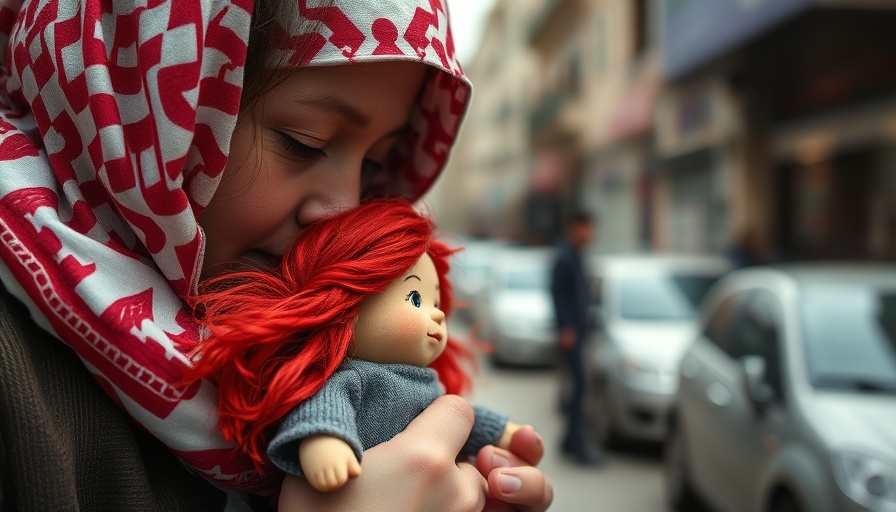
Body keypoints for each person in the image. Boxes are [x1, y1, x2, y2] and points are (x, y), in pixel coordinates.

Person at [0, 1, 553, 510]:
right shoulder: (17, 386)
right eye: (304, 142)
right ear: (145, 97)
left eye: (376, 163)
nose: (346, 209)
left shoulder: (340, 371)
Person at [189, 199, 526, 494]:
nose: (437, 314)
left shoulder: (428, 387)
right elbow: (325, 407)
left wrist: (501, 431)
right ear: (348, 306)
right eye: (415, 297)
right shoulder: (355, 379)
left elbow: (462, 420)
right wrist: (325, 442)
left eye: (436, 300)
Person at [550, 211, 604, 467]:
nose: (590, 234)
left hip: (579, 333)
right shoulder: (565, 256)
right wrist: (565, 327)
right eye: (587, 228)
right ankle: (577, 444)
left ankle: (570, 440)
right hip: (570, 335)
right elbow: (557, 294)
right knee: (580, 386)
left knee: (578, 387)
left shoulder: (577, 255)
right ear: (575, 228)